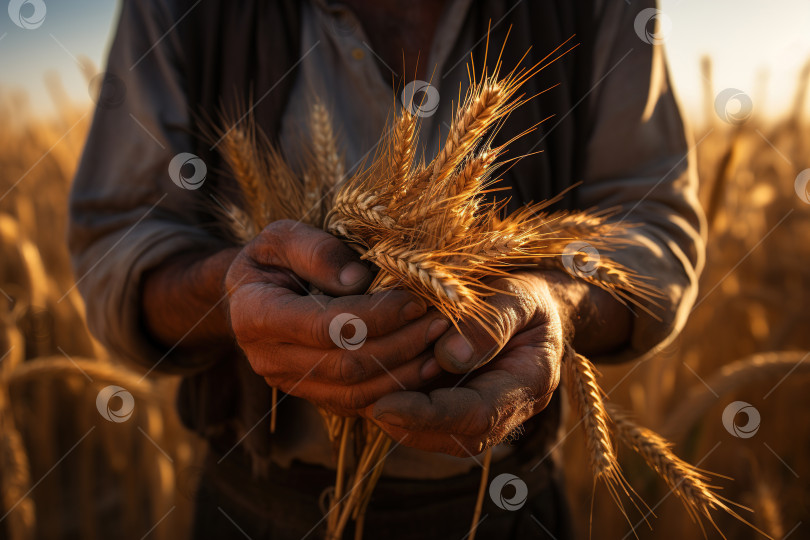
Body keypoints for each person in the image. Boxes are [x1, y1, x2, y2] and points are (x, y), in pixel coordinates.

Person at [69, 0, 705, 538]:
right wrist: (227, 290)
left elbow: (655, 226)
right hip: (255, 507)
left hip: (510, 503)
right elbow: (114, 242)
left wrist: (557, 304)